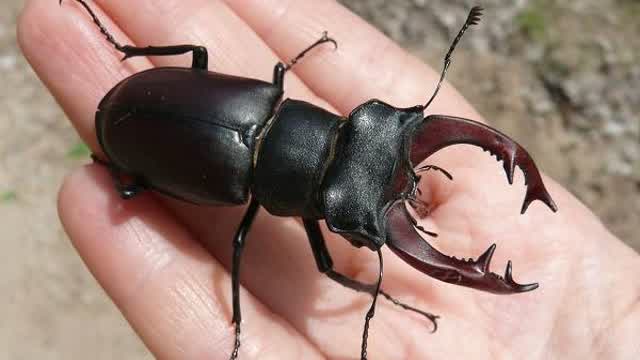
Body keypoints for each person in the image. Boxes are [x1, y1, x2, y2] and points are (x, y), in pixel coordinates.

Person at [18, 0, 639, 358]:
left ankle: (125, 166)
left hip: (169, 113)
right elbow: (316, 264)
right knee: (162, 204)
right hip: (147, 133)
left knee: (161, 144)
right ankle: (124, 160)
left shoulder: (270, 94)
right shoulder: (246, 167)